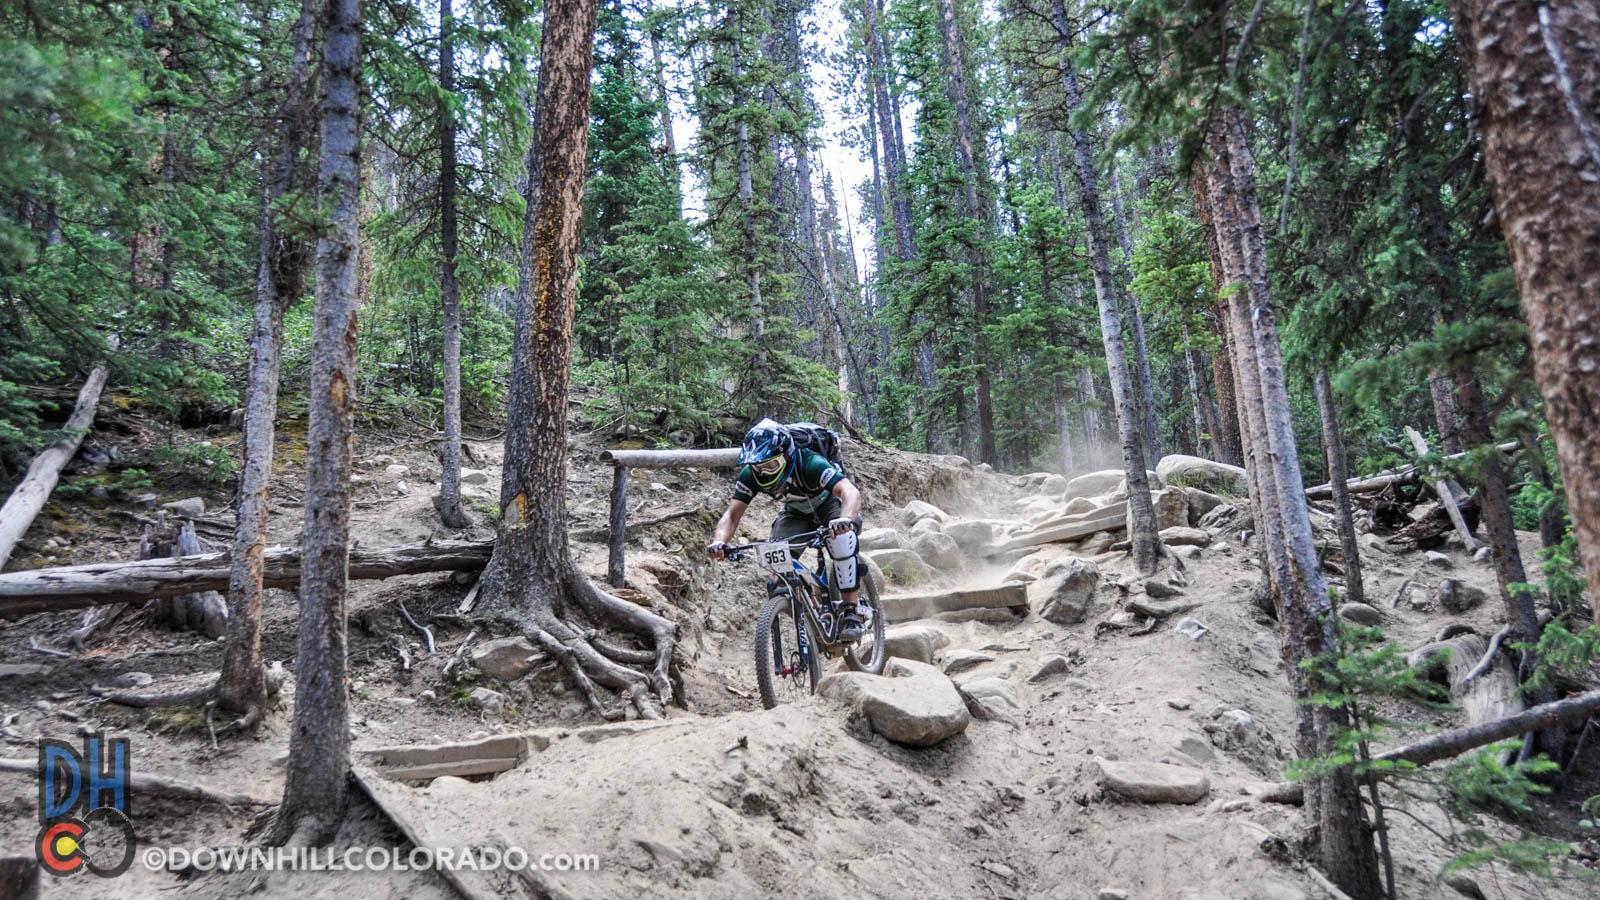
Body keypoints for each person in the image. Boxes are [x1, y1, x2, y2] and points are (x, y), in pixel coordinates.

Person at [706, 419, 867, 639]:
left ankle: (851, 613)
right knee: (776, 562)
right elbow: (732, 515)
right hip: (796, 512)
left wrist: (845, 519)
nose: (764, 474)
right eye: (758, 468)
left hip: (830, 504)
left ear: (787, 456)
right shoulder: (751, 475)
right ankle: (810, 614)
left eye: (771, 466)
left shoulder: (810, 462)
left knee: (842, 543)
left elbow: (850, 492)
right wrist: (720, 541)